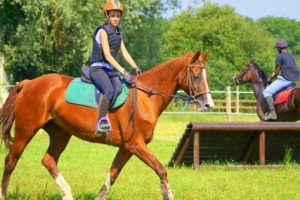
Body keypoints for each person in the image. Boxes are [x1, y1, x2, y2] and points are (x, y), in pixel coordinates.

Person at [89, 0, 142, 135]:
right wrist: (123, 71)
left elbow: (124, 52)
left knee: (119, 86)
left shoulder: (118, 33)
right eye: (113, 15)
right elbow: (107, 55)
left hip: (108, 70)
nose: (116, 19)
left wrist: (135, 66)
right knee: (108, 89)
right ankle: (101, 122)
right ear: (107, 16)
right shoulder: (102, 31)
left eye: (118, 16)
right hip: (97, 68)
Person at [263, 39, 299, 120]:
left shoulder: (280, 56)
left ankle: (272, 113)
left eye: (277, 48)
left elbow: (276, 72)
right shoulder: (291, 56)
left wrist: (270, 78)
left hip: (285, 79)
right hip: (294, 80)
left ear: (279, 48)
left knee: (266, 92)